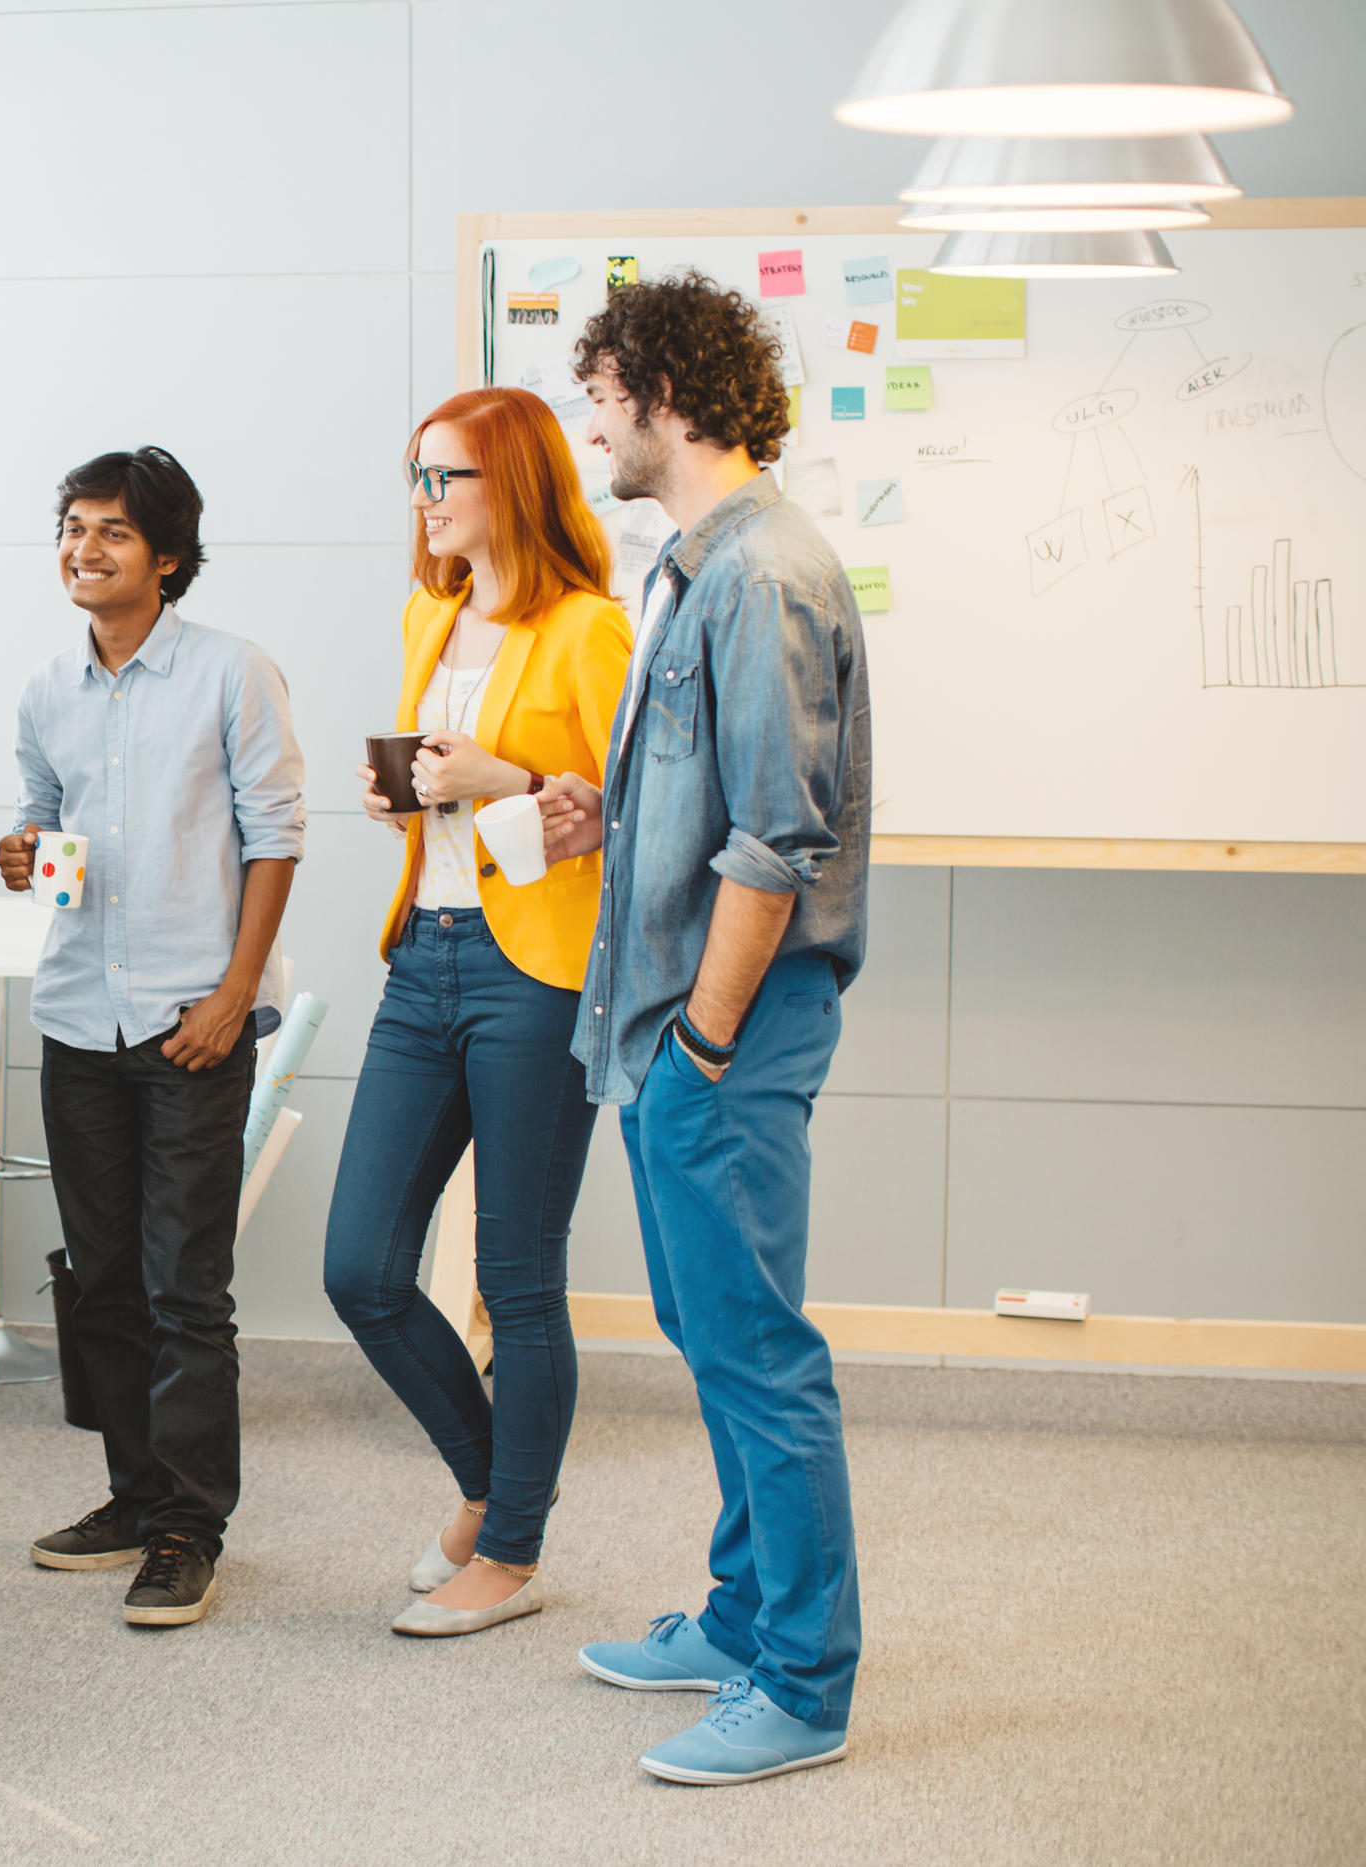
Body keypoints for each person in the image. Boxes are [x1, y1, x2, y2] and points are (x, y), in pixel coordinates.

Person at [543, 270, 872, 1784]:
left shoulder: (759, 574)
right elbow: (702, 802)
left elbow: (776, 846)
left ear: (667, 398)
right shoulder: (690, 563)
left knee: (755, 1352)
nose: (590, 421)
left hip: (720, 1034)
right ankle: (746, 1615)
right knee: (711, 1332)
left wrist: (706, 1047)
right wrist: (587, 810)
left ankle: (802, 1680)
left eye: (603, 394)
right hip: (683, 1027)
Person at [321, 388, 631, 1638]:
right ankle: (491, 1482)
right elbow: (432, 791)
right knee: (361, 1268)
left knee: (517, 1276)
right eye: (414, 475)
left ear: (511, 483)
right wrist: (403, 800)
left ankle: (510, 1548)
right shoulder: (428, 613)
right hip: (426, 956)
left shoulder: (590, 630)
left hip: (539, 970)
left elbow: (641, 810)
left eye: (441, 476)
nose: (422, 500)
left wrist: (515, 779)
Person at [0, 447, 304, 1629]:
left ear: (167, 556)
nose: (84, 548)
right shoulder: (44, 690)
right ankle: (132, 1495)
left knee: (188, 1285)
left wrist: (235, 993)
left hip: (191, 1019)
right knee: (103, 1279)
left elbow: (275, 837)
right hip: (79, 1012)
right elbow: (42, 818)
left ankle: (189, 1523)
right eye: (72, 527)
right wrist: (23, 849)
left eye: (112, 532)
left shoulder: (231, 673)